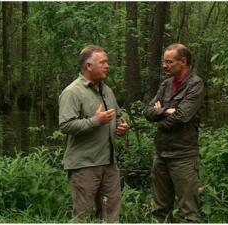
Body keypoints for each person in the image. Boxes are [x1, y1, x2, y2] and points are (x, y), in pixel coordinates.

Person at [59, 45, 129, 222]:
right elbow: (66, 125)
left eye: (107, 62)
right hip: (84, 165)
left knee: (111, 214)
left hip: (109, 163)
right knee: (82, 216)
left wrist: (121, 126)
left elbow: (118, 116)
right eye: (103, 62)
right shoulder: (72, 92)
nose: (107, 66)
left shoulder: (107, 91)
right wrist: (95, 121)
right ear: (88, 66)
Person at [144, 43, 205, 223]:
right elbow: (148, 112)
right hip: (161, 154)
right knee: (160, 210)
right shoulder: (166, 84)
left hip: (183, 156)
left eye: (169, 62)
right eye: (164, 62)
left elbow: (182, 116)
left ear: (183, 62)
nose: (165, 66)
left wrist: (160, 117)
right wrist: (166, 111)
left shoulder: (196, 84)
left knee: (189, 213)